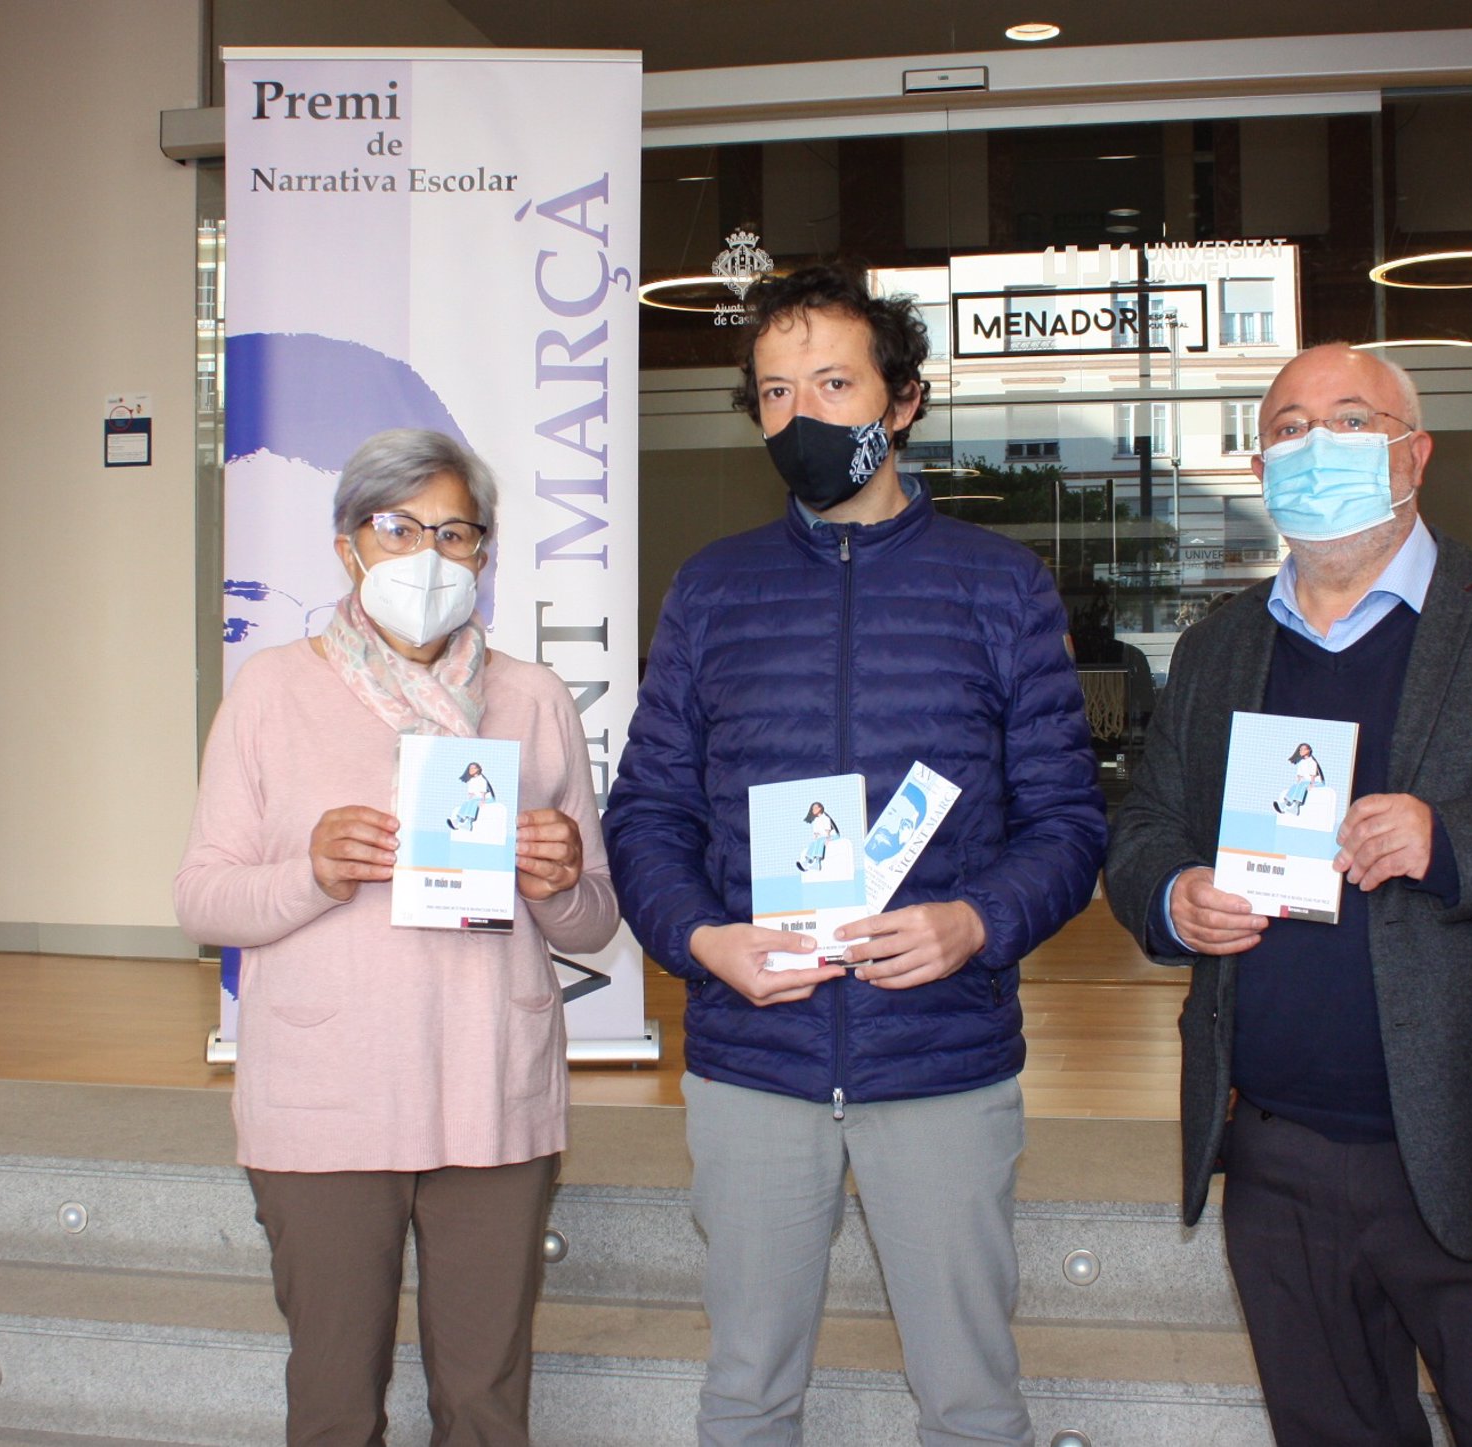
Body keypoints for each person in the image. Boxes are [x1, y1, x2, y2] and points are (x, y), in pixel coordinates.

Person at [1105, 344, 1472, 1447]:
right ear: (1259, 468)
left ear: (1414, 456)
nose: (1314, 446)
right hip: (1280, 1159)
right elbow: (1146, 827)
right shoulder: (1221, 646)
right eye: (1288, 429)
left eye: (1351, 421)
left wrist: (1451, 840)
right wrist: (1173, 895)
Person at [604, 263, 1106, 1446]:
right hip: (754, 1057)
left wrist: (976, 921)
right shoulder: (711, 591)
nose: (804, 417)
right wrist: (702, 939)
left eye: (833, 383)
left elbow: (1068, 821)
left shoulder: (1001, 588)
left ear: (904, 400)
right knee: (745, 1394)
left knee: (971, 1400)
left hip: (941, 1058)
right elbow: (649, 813)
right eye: (777, 393)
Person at [174, 428, 620, 1446]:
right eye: (400, 528)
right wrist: (312, 872)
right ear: (348, 546)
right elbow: (202, 898)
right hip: (328, 1099)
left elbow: (596, 917)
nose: (428, 555)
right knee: (335, 1403)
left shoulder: (533, 698)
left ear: (484, 554)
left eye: (455, 533)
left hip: (489, 1090)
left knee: (485, 1404)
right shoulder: (270, 691)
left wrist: (557, 883)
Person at [1274, 741, 1322, 815]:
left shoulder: (1312, 762)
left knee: (1302, 785)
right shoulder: (1301, 762)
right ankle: (1285, 803)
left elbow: (1313, 776)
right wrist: (1297, 784)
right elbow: (1300, 776)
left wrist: (1311, 785)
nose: (1301, 751)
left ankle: (1296, 807)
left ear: (1308, 750)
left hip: (1317, 782)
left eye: (1303, 749)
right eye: (1300, 750)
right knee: (1295, 785)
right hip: (1306, 781)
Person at [451, 759, 494, 831]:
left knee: (474, 804)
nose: (471, 770)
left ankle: (468, 823)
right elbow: (471, 793)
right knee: (466, 803)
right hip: (477, 798)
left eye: (473, 768)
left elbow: (483, 792)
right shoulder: (471, 780)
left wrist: (482, 801)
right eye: (470, 768)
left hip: (488, 798)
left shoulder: (481, 779)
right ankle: (458, 820)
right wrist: (469, 801)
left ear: (478, 769)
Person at [796, 800, 838, 871]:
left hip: (833, 835)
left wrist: (827, 839)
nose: (813, 810)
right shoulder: (816, 820)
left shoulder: (825, 818)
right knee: (814, 843)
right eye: (812, 808)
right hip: (822, 837)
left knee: (820, 842)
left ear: (820, 808)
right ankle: (807, 861)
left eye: (815, 808)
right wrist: (815, 840)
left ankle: (817, 863)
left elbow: (828, 831)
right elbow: (816, 833)